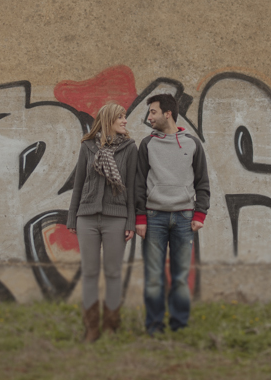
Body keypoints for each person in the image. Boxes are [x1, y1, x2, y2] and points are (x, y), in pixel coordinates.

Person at [134, 93, 210, 335]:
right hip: (154, 217)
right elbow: (138, 184)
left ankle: (179, 327)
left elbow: (203, 183)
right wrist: (140, 218)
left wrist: (200, 214)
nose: (149, 117)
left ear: (168, 113)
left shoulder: (192, 143)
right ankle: (154, 327)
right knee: (154, 277)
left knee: (180, 277)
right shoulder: (147, 145)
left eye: (153, 112)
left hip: (184, 219)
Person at [66, 102, 137, 342]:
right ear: (108, 120)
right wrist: (72, 216)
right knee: (89, 272)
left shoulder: (129, 148)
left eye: (125, 117)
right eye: (121, 117)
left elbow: (131, 187)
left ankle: (110, 326)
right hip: (86, 217)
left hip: (116, 218)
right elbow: (78, 183)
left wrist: (130, 221)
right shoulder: (87, 146)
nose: (125, 121)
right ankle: (91, 328)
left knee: (114, 273)